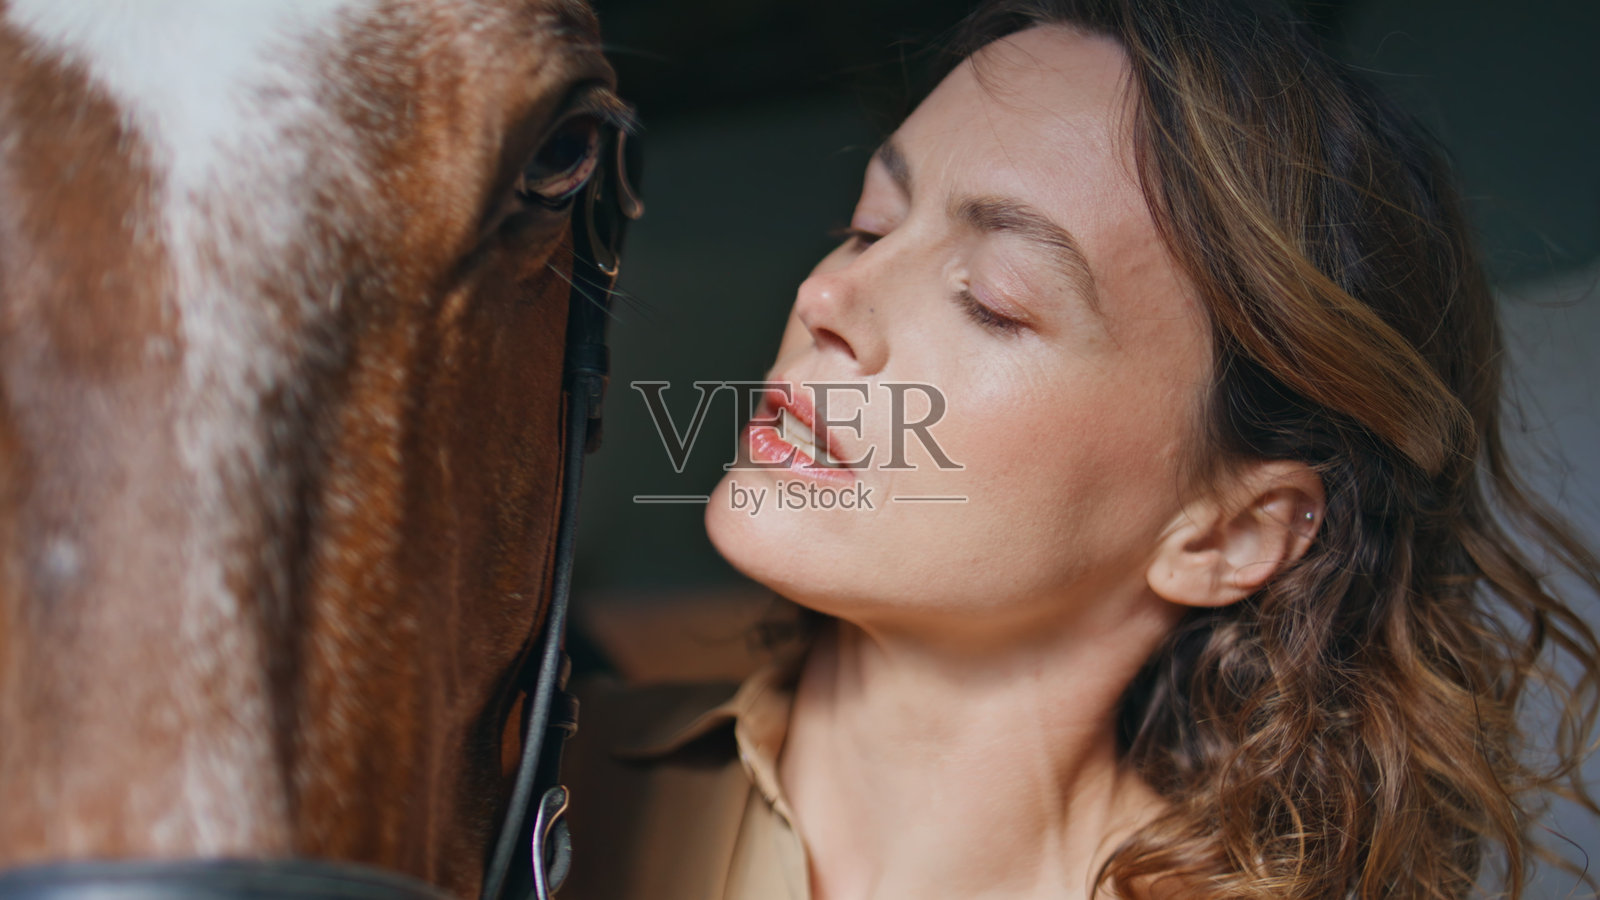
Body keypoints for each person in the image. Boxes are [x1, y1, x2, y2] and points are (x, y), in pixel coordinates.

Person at [561, 0, 1600, 897]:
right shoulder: (531, 790)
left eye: (993, 300)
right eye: (871, 226)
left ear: (1230, 534)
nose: (825, 294)